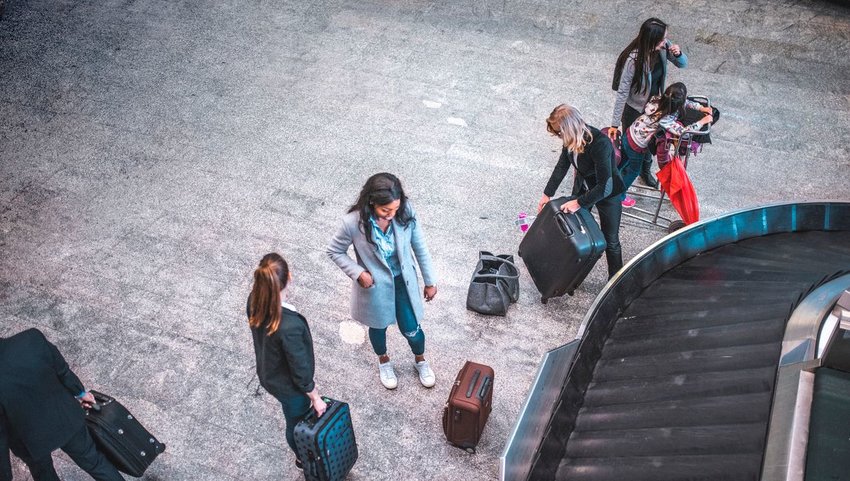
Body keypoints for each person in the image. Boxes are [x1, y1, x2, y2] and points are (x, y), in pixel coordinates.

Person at [327, 173, 438, 390]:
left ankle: (420, 360)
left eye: (394, 209)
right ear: (372, 202)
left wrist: (430, 281)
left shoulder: (405, 212)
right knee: (377, 328)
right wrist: (358, 273)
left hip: (403, 283)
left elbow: (420, 247)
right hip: (375, 288)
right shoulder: (352, 223)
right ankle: (384, 361)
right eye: (385, 210)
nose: (391, 215)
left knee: (412, 329)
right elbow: (335, 251)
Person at [0, 328, 123, 481]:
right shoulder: (31, 339)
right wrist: (82, 394)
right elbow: (62, 371)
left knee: (44, 474)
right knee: (94, 462)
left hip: (29, 441)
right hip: (66, 417)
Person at [247, 253, 326, 470]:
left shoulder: (254, 300)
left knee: (292, 415)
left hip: (269, 374)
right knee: (295, 421)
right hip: (289, 387)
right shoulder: (289, 326)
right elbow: (300, 370)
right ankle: (302, 458)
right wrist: (315, 397)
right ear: (289, 277)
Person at [539, 104, 625, 279]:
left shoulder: (600, 144)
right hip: (584, 187)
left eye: (559, 133)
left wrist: (578, 203)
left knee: (611, 240)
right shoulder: (571, 139)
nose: (558, 136)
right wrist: (547, 194)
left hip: (608, 195)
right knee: (574, 230)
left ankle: (616, 282)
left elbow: (604, 187)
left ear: (568, 129)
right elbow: (561, 166)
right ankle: (572, 271)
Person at [610, 17, 688, 194]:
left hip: (655, 106)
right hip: (635, 109)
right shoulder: (633, 59)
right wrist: (614, 124)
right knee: (633, 146)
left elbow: (682, 64)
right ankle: (618, 184)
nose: (665, 42)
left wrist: (678, 54)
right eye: (662, 39)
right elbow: (622, 92)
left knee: (649, 143)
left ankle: (644, 172)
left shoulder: (662, 48)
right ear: (652, 40)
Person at [619, 82, 713, 193]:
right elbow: (684, 132)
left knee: (622, 162)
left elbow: (686, 103)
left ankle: (613, 182)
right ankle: (619, 196)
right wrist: (702, 121)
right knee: (633, 171)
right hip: (637, 145)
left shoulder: (657, 99)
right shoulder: (665, 119)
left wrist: (701, 107)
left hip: (629, 133)